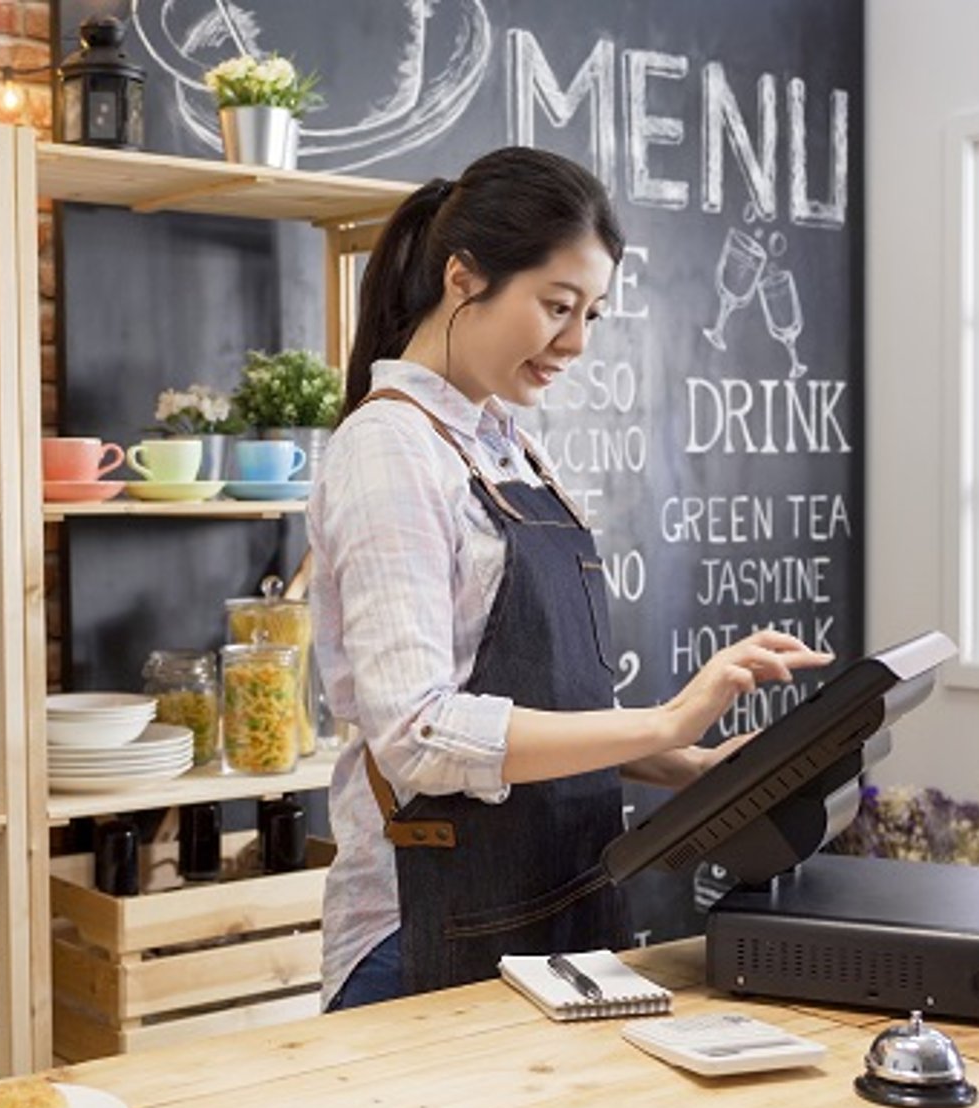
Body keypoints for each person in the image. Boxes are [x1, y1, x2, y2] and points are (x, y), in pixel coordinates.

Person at [308, 145, 831, 1011]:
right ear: (463, 280)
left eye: (592, 314)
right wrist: (662, 720)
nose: (577, 343)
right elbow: (418, 733)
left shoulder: (512, 448)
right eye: (557, 306)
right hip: (432, 934)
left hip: (562, 911)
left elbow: (543, 701)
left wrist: (690, 765)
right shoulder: (388, 449)